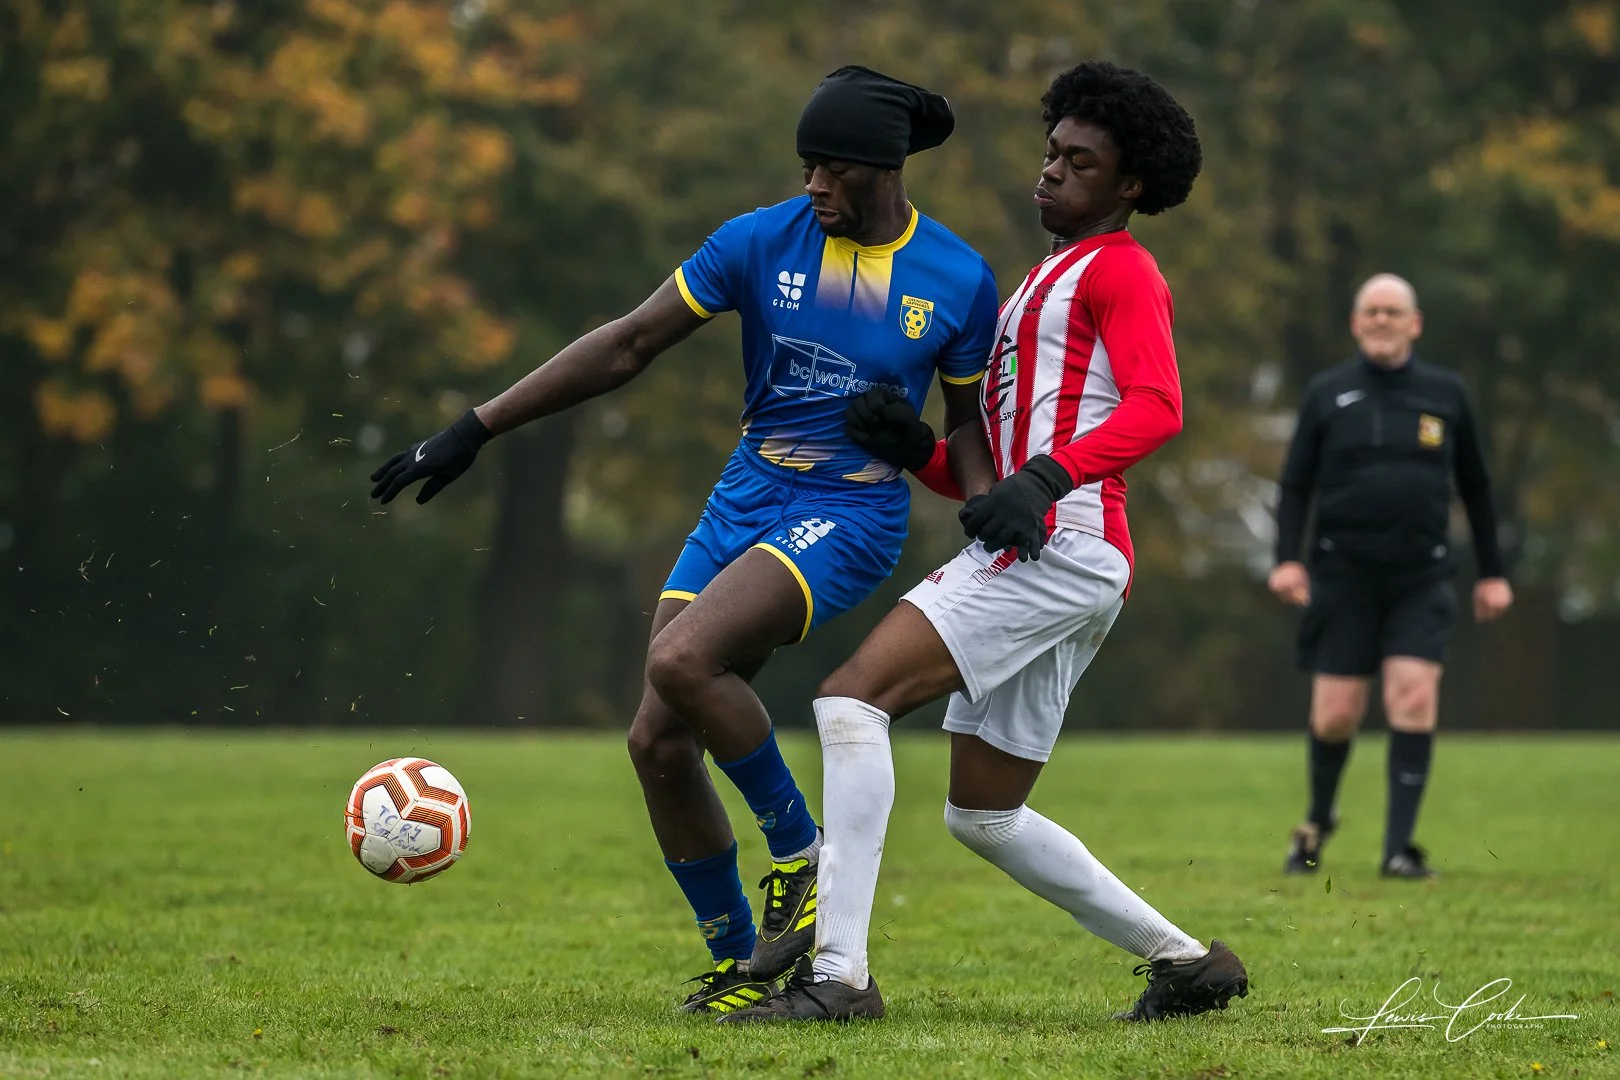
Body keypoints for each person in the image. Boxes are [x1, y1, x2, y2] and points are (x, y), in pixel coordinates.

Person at [368, 66, 1000, 1014]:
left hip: (853, 510)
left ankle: (804, 853)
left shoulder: (957, 277)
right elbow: (627, 344)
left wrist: (979, 509)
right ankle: (741, 965)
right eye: (805, 168)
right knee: (658, 740)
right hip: (748, 491)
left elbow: (967, 435)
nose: (813, 186)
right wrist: (477, 427)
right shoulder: (756, 241)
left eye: (829, 169)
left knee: (685, 658)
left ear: (880, 168)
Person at [719, 60, 1249, 1025]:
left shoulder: (1122, 268)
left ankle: (836, 980)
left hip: (1067, 544)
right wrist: (923, 450)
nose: (1051, 173)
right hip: (1073, 554)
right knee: (984, 812)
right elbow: (997, 477)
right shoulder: (1046, 275)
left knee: (848, 701)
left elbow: (1160, 407)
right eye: (1051, 153)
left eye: (1080, 163)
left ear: (1130, 188)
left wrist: (1048, 480)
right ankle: (1187, 964)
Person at [1268, 273, 1513, 880]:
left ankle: (1398, 850)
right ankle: (1318, 824)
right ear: (1356, 323)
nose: (1382, 320)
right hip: (1342, 576)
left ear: (1415, 322)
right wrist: (1287, 558)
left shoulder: (1446, 394)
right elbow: (1295, 485)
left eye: (1393, 311)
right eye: (1371, 311)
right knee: (1335, 716)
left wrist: (1493, 572)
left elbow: (1478, 489)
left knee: (1413, 697)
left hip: (1421, 578)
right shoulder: (1328, 393)